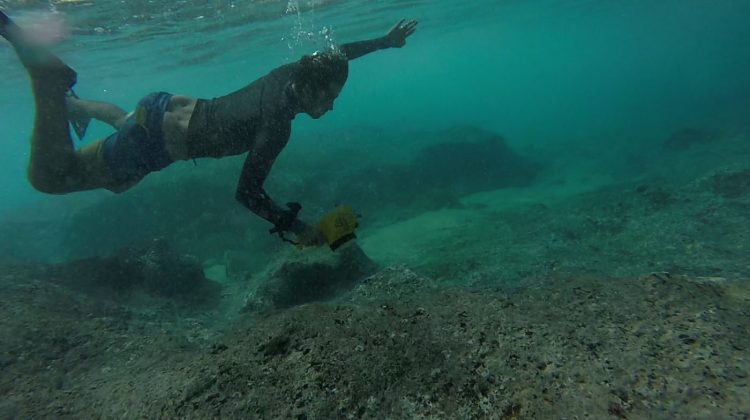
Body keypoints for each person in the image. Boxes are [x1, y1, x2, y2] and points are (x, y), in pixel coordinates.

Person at [1, 10, 417, 246]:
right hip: (155, 142)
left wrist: (384, 42)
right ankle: (49, 84)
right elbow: (246, 193)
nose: (332, 105)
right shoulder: (276, 126)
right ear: (308, 91)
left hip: (163, 109)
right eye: (328, 97)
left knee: (122, 157)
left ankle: (72, 102)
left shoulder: (294, 71)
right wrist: (303, 230)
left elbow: (337, 55)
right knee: (51, 179)